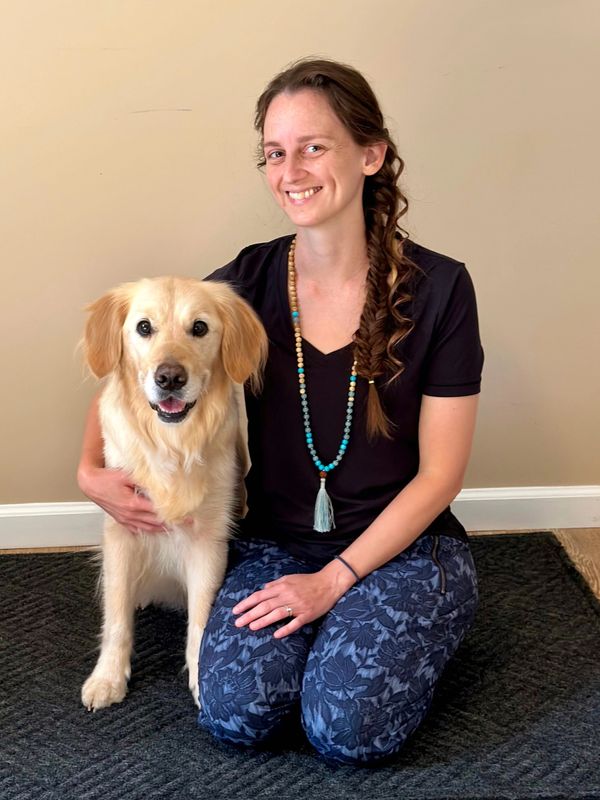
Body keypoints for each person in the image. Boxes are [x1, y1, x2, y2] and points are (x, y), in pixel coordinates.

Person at [78, 58, 484, 765]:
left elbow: (440, 477)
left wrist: (334, 583)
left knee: (347, 731)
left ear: (371, 154)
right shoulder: (244, 286)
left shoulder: (442, 289)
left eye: (313, 146)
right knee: (231, 713)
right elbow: (138, 368)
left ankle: (412, 623)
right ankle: (341, 642)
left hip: (406, 550)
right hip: (276, 548)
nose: (290, 169)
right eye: (274, 152)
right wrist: (89, 473)